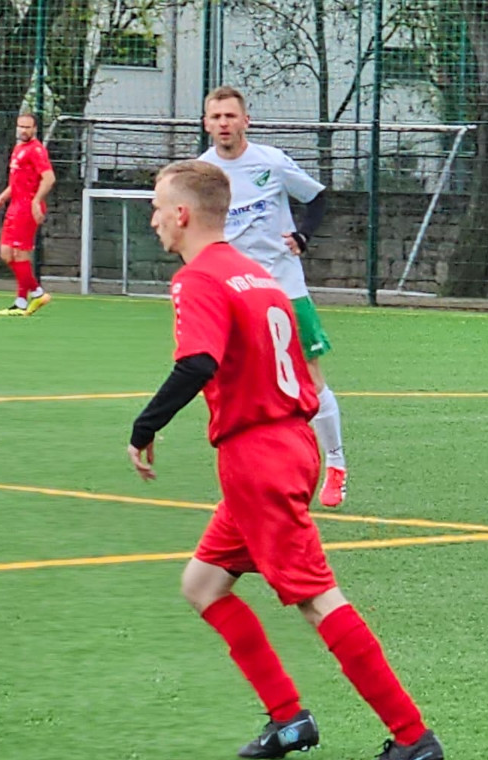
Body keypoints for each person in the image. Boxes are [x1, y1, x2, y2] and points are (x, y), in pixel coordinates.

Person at [127, 160, 442, 760]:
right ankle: (288, 717)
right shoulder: (259, 275)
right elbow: (304, 372)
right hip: (291, 442)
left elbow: (196, 363)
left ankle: (411, 735)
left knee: (317, 599)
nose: (154, 216)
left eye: (159, 205)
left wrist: (145, 427)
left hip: (256, 457)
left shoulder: (199, 280)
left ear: (185, 214)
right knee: (203, 583)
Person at [198, 86, 348, 507]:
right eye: (216, 117)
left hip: (285, 287)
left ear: (246, 121)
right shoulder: (202, 173)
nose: (224, 123)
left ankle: (335, 462)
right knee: (236, 383)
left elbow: (317, 197)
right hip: (235, 293)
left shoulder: (271, 161)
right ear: (207, 123)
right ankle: (254, 472)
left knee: (311, 379)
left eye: (231, 116)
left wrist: (303, 235)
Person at [0, 112, 56, 317]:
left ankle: (31, 296)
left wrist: (36, 201)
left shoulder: (36, 151)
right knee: (7, 254)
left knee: (19, 254)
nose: (23, 130)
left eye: (27, 127)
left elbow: (49, 178)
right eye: (21, 126)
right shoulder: (18, 148)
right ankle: (27, 297)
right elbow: (15, 183)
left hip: (27, 208)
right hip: (15, 206)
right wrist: (1, 199)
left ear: (35, 129)